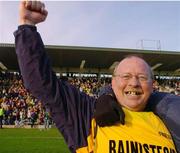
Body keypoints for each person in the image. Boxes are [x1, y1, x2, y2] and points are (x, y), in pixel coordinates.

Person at [14, 1, 177, 152]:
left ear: (152, 84)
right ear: (113, 82)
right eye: (126, 76)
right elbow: (41, 82)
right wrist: (27, 26)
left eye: (142, 77)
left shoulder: (169, 122)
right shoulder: (88, 114)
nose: (134, 83)